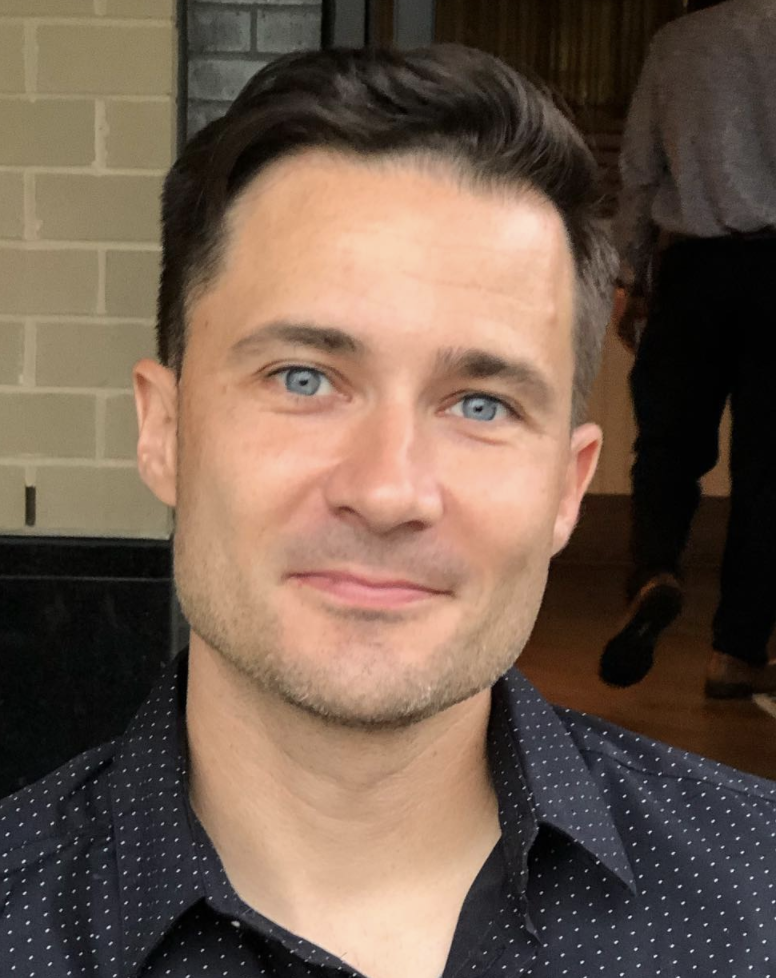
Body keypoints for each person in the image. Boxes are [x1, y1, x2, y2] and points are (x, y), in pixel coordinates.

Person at [1, 44, 774, 978]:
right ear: (165, 431)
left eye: (481, 404)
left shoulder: (755, 900)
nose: (387, 491)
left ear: (568, 489)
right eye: (303, 378)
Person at [599, 0, 776, 696]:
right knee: (768, 471)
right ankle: (736, 652)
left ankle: (655, 572)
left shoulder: (676, 43)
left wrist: (630, 276)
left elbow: (641, 172)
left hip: (692, 269)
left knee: (667, 447)